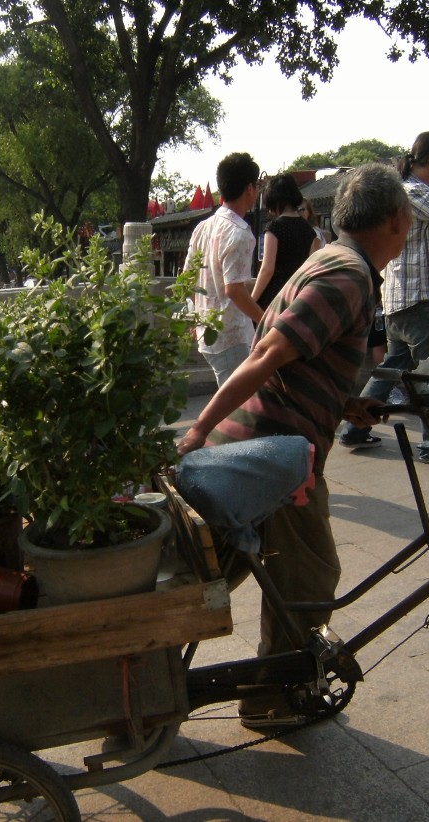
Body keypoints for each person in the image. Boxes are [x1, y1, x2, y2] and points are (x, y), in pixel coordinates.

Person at [176, 163, 410, 727]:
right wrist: (198, 429)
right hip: (275, 459)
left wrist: (346, 402)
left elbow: (300, 357)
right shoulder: (348, 274)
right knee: (308, 577)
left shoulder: (328, 261)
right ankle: (270, 700)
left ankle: (144, 687)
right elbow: (266, 355)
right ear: (399, 222)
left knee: (205, 578)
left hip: (263, 445)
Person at [337, 131, 429, 462]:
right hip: (418, 300)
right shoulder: (413, 190)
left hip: (403, 300)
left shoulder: (412, 190)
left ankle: (355, 428)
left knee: (392, 369)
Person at [185, 153, 264, 386]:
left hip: (208, 333)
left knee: (233, 404)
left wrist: (196, 317)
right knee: (238, 411)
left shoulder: (203, 227)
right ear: (249, 188)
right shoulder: (239, 233)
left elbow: (188, 280)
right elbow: (234, 290)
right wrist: (266, 320)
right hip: (232, 335)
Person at [251, 174, 319, 311]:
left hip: (274, 297)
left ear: (276, 201)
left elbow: (267, 270)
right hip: (297, 297)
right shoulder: (310, 231)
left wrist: (252, 300)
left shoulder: (275, 227)